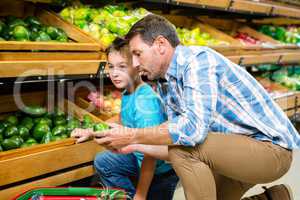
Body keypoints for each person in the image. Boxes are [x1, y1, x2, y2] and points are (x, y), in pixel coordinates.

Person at [92, 14, 300, 200]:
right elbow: (171, 145)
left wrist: (132, 135)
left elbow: (190, 132)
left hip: (272, 151)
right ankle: (274, 197)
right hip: (240, 148)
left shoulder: (197, 61)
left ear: (160, 44)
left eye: (138, 53)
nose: (135, 63)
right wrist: (130, 144)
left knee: (183, 148)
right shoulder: (167, 84)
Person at [71, 37, 178, 200]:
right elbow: (121, 118)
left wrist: (141, 195)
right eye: (111, 66)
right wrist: (90, 131)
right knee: (104, 161)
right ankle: (127, 196)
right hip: (139, 158)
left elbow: (150, 157)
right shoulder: (129, 91)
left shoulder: (145, 103)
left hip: (159, 173)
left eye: (122, 66)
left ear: (137, 65)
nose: (114, 73)